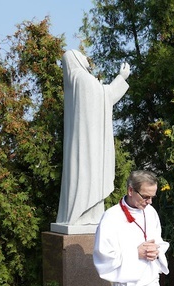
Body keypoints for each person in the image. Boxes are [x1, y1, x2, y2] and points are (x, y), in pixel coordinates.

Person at [56, 50, 131, 226]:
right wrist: (122, 77)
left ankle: (88, 215)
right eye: (81, 55)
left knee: (85, 174)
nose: (85, 58)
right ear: (75, 58)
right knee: (89, 174)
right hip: (90, 141)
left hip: (85, 139)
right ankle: (85, 215)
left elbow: (102, 96)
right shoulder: (82, 78)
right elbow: (106, 97)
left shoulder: (73, 81)